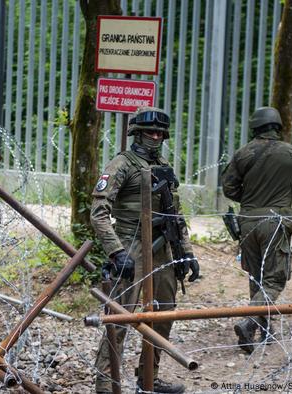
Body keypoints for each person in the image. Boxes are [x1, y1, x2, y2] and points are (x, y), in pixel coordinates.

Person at [90, 106, 199, 393]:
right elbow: (98, 213)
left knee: (164, 313)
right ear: (136, 133)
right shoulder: (122, 165)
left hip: (163, 247)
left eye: (160, 132)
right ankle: (106, 383)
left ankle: (148, 377)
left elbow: (176, 214)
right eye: (150, 131)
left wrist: (186, 252)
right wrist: (116, 251)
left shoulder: (164, 165)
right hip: (132, 245)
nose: (155, 136)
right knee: (120, 317)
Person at [221, 106, 292, 354]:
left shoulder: (243, 154)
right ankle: (249, 321)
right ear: (278, 126)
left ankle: (262, 330)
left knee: (256, 275)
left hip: (248, 222)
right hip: (276, 221)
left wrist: (251, 197)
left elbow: (229, 189)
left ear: (255, 127)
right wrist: (283, 196)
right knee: (275, 278)